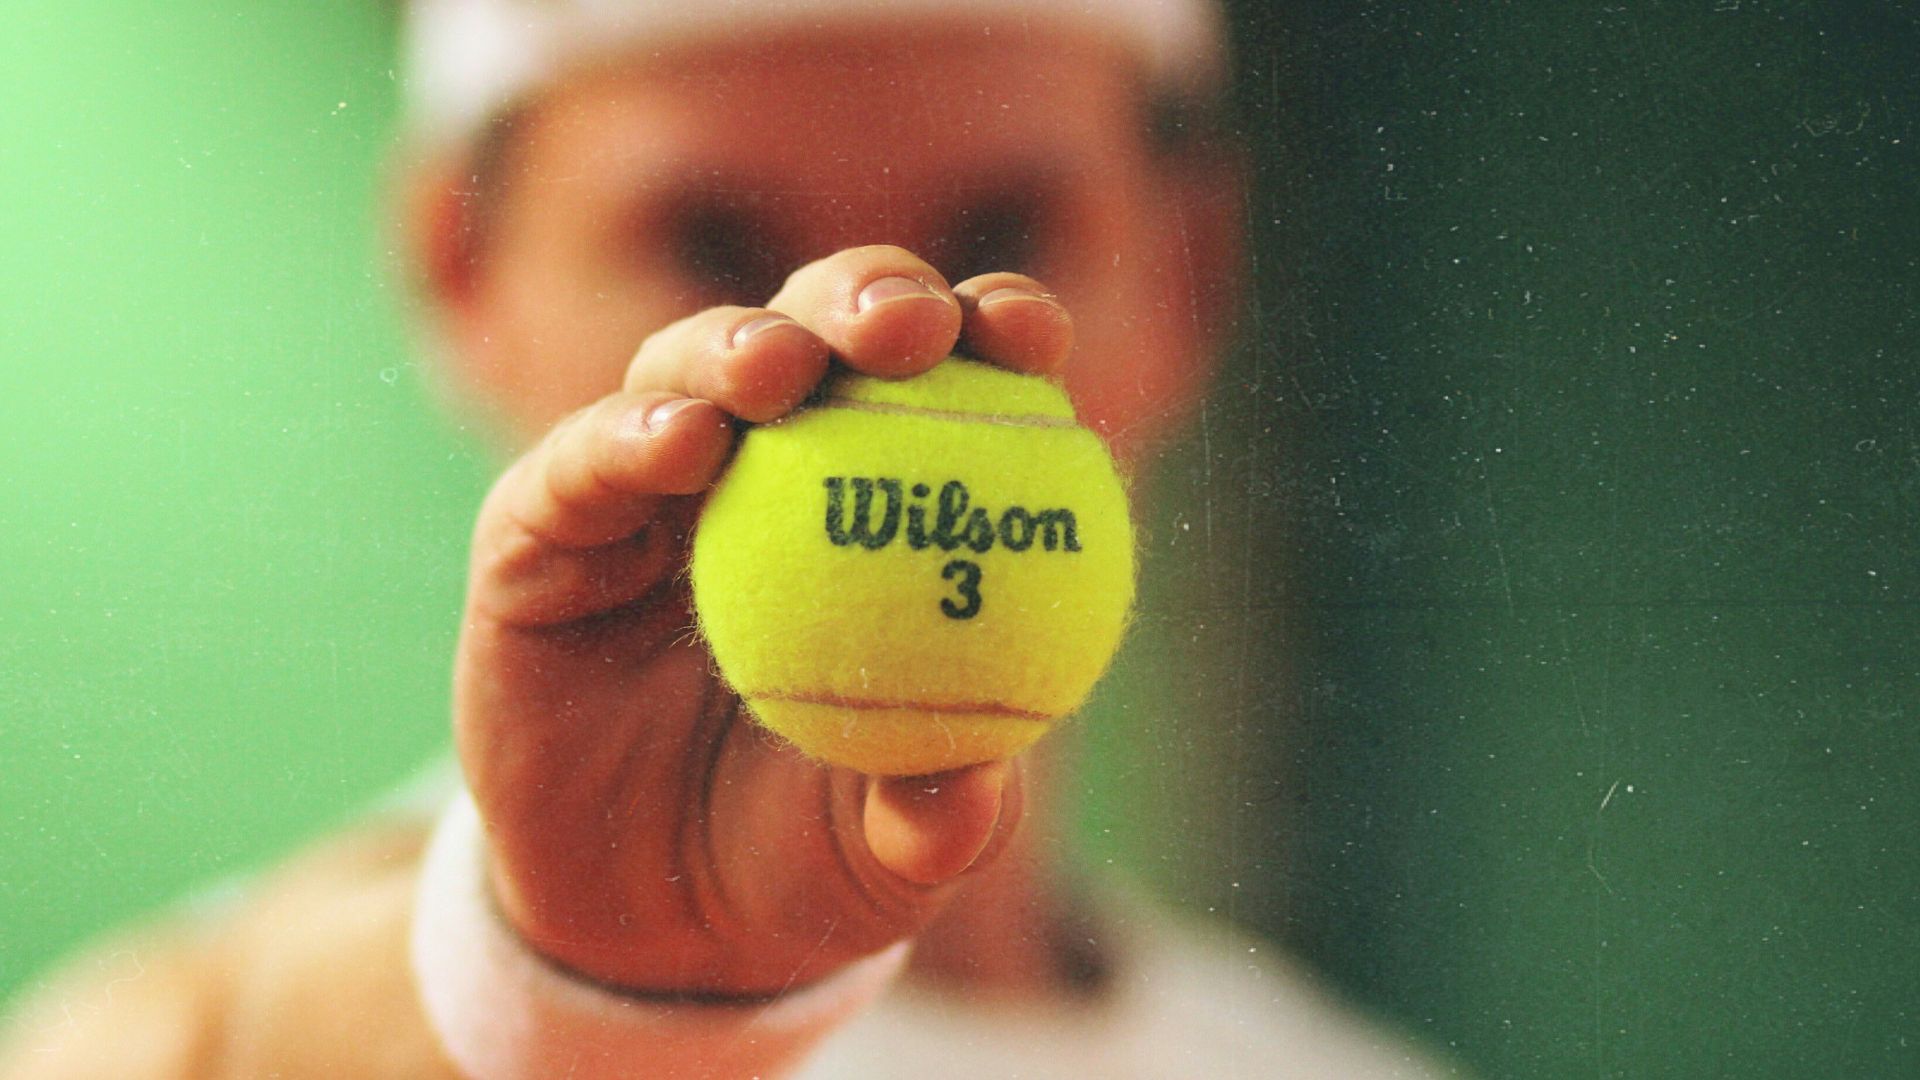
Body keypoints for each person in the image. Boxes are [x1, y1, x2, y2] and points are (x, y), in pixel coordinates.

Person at [0, 2, 1452, 1077]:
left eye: (1007, 229)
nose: (868, 350)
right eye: (708, 244)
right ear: (459, 271)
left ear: (1190, 273)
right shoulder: (240, 1020)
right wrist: (551, 983)